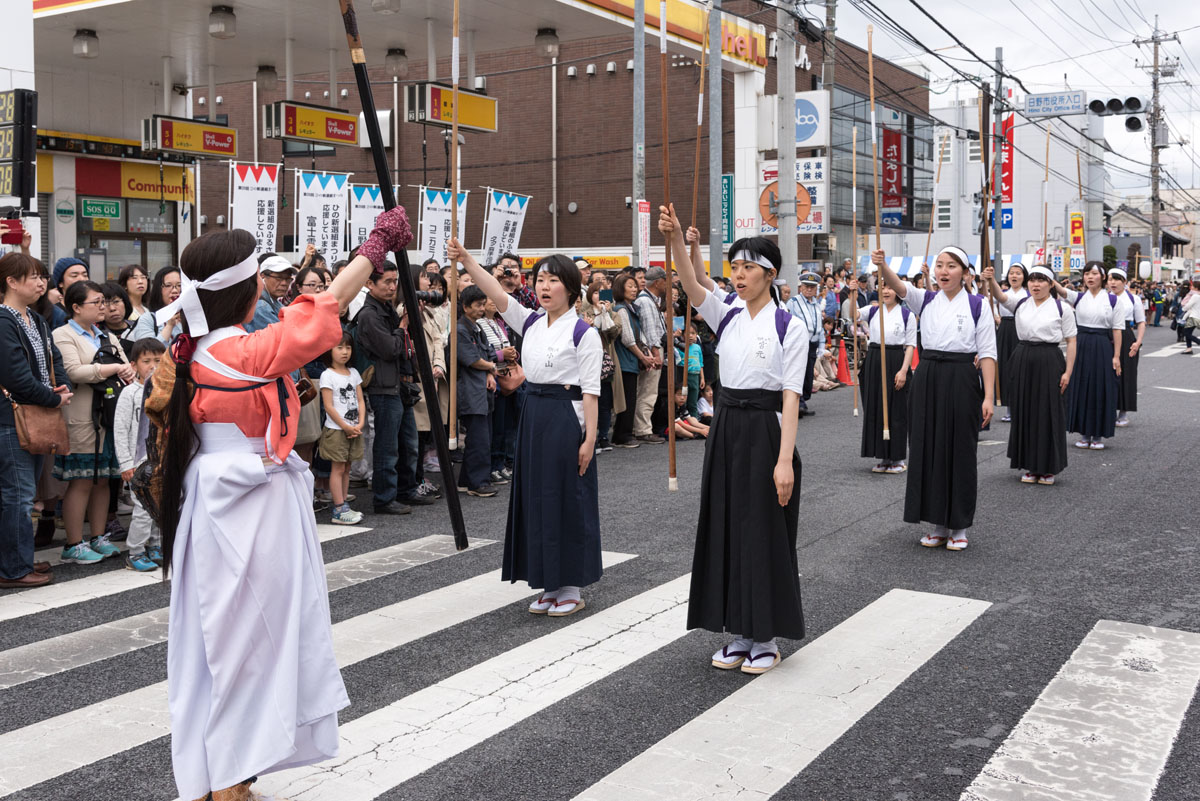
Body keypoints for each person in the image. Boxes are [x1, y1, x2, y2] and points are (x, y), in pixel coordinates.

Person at [152, 211, 409, 801]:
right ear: (244, 293)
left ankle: (230, 773)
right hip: (241, 502)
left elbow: (302, 316)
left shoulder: (201, 345)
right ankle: (228, 782)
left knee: (241, 638)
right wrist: (373, 247)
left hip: (238, 494)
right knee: (245, 641)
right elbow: (318, 317)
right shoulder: (233, 352)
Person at [660, 204, 805, 675]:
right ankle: (738, 632)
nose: (738, 276)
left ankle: (764, 636)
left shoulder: (790, 325)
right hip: (725, 428)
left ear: (770, 274)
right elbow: (688, 280)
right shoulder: (726, 315)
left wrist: (784, 461)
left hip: (766, 431)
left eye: (748, 268)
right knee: (726, 526)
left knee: (762, 532)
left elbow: (789, 397)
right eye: (735, 268)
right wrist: (678, 237)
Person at [447, 238, 602, 618]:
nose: (545, 287)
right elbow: (494, 290)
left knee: (567, 498)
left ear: (571, 287)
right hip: (533, 415)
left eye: (553, 280)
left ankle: (571, 584)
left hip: (567, 419)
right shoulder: (530, 321)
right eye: (540, 280)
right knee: (537, 498)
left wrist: (590, 439)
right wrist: (466, 257)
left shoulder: (584, 333)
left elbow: (591, 393)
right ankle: (548, 582)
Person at [873, 246, 996, 552]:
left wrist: (989, 396)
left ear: (965, 273)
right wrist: (883, 265)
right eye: (940, 265)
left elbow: (989, 354)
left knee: (960, 450)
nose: (943, 271)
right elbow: (900, 287)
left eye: (951, 266)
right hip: (927, 376)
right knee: (927, 448)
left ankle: (959, 525)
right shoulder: (924, 299)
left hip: (962, 379)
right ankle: (937, 523)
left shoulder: (978, 305)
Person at [0, 253, 72, 589]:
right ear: (11, 282)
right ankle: (13, 569)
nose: (41, 283)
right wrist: (54, 398)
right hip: (11, 418)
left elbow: (54, 360)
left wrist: (61, 389)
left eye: (43, 276)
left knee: (22, 495)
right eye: (33, 277)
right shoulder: (3, 321)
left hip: (36, 415)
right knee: (18, 495)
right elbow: (15, 377)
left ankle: (20, 559)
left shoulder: (37, 320)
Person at [52, 280, 134, 565]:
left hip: (109, 416)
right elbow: (73, 371)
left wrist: (124, 370)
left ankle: (98, 537)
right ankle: (74, 543)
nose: (104, 307)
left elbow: (127, 366)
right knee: (82, 479)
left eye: (104, 301)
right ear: (75, 307)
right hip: (81, 416)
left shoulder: (105, 335)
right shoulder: (62, 335)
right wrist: (111, 368)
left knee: (104, 479)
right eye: (97, 302)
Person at [983, 264, 1077, 485]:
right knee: (1025, 411)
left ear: (1050, 284)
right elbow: (1000, 297)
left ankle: (1047, 468)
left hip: (1049, 360)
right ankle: (1029, 465)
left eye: (1041, 280)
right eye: (1032, 280)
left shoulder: (1062, 308)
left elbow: (1072, 340)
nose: (1036, 284)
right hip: (1023, 357)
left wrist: (1068, 371)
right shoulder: (1022, 303)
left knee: (1048, 412)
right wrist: (991, 280)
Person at [357, 263, 423, 515]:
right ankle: (384, 498)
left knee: (408, 443)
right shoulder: (369, 314)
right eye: (386, 281)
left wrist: (411, 319)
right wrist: (403, 324)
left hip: (399, 385)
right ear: (369, 284)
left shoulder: (386, 309)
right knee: (387, 445)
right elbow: (390, 349)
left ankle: (406, 490)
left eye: (395, 281)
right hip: (383, 387)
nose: (393, 286)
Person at [1054, 262, 1122, 450]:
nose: (1090, 277)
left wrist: (1116, 356)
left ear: (1103, 277)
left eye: (1094, 274)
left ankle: (1098, 435)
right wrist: (1049, 278)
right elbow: (1060, 290)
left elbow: (1117, 330)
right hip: (1081, 343)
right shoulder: (1078, 297)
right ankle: (1084, 434)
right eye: (1086, 274)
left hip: (1102, 345)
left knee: (1100, 387)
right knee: (1081, 386)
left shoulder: (1113, 300)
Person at [113, 337, 165, 571]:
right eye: (146, 361)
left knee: (158, 505)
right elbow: (121, 429)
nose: (153, 365)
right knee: (143, 508)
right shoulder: (130, 393)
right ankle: (135, 551)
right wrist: (125, 463)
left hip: (160, 459)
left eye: (158, 360)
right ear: (133, 365)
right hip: (138, 462)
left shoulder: (164, 391)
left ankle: (154, 545)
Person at [859, 283, 917, 474]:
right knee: (875, 407)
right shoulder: (873, 310)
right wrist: (852, 293)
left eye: (890, 287)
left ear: (898, 292)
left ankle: (897, 458)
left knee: (897, 409)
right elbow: (854, 315)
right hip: (874, 360)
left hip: (896, 360)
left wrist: (903, 370)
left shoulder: (907, 315)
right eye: (882, 287)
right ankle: (882, 456)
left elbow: (910, 345)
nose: (886, 291)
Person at [453, 285, 499, 497]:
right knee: (479, 438)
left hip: (481, 387)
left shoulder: (476, 327)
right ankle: (477, 482)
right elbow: (471, 359)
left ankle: (466, 480)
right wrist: (490, 367)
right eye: (478, 305)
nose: (482, 309)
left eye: (483, 304)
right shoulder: (460, 329)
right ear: (465, 306)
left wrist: (490, 371)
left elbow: (489, 353)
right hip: (470, 390)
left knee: (481, 437)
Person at [319, 331, 366, 525]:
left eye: (347, 347)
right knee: (337, 468)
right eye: (339, 347)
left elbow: (361, 400)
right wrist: (345, 426)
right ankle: (338, 508)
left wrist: (360, 423)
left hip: (353, 429)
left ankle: (344, 503)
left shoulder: (353, 373)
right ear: (329, 350)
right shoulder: (327, 375)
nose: (344, 352)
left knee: (347, 467)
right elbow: (328, 406)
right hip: (337, 430)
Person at [477, 287, 518, 482]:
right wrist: (502, 354)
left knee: (506, 424)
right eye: (489, 297)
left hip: (506, 373)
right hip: (493, 376)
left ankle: (501, 463)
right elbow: (484, 352)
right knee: (495, 426)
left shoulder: (499, 321)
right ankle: (493, 465)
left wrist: (511, 353)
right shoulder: (479, 323)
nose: (493, 300)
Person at [611, 273, 649, 448]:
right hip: (624, 359)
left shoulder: (631, 308)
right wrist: (643, 357)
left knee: (630, 397)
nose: (635, 289)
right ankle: (622, 435)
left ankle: (624, 433)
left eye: (635, 286)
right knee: (626, 399)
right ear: (621, 289)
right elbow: (627, 339)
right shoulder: (621, 309)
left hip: (630, 360)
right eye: (630, 286)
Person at [632, 266, 668, 443]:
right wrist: (655, 352)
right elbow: (649, 329)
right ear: (659, 282)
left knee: (647, 390)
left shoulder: (650, 299)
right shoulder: (646, 301)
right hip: (652, 350)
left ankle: (641, 427)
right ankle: (642, 429)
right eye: (665, 281)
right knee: (648, 391)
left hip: (651, 349)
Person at [1107, 267, 1145, 428]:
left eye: (1117, 279)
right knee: (1107, 374)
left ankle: (1123, 411)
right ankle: (1107, 411)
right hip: (1107, 336)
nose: (1113, 282)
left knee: (1125, 374)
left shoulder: (1133, 299)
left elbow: (1141, 321)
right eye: (1110, 279)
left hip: (1127, 335)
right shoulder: (1103, 297)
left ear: (1124, 282)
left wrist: (1138, 342)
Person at [786, 272, 824, 416]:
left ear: (816, 289)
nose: (809, 289)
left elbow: (819, 328)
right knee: (799, 373)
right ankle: (798, 403)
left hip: (813, 345)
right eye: (806, 287)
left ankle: (803, 399)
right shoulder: (793, 302)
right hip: (799, 344)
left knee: (808, 375)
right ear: (801, 287)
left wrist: (821, 346)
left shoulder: (817, 305)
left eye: (812, 287)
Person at [995, 264, 1029, 424]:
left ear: (1024, 276)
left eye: (1018, 273)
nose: (1014, 276)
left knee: (1019, 367)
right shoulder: (1002, 294)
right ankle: (1008, 407)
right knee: (1005, 367)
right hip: (1004, 329)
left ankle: (1020, 407)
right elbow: (992, 302)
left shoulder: (1028, 294)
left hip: (1020, 329)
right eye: (1011, 273)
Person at [244, 254, 296, 333]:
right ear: (263, 276)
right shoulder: (261, 306)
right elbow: (283, 335)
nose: (284, 283)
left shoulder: (274, 301)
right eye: (279, 278)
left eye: (288, 279)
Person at [132, 266, 183, 342]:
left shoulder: (192, 317)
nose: (175, 290)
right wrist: (169, 326)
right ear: (158, 289)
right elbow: (148, 352)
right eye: (168, 285)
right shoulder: (148, 319)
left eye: (179, 285)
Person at [50, 257, 91, 329]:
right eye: (74, 276)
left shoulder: (94, 308)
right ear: (60, 283)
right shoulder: (54, 313)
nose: (81, 279)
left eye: (85, 275)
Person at [100, 281, 138, 356]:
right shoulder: (97, 334)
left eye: (116, 301)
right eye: (106, 303)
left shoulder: (138, 327)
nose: (112, 308)